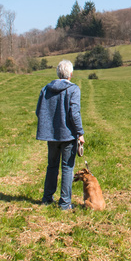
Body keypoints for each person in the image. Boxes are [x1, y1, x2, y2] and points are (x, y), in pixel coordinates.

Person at [35, 59, 85, 210]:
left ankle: (47, 198)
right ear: (70, 74)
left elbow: (39, 111)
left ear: (58, 73)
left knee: (52, 166)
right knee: (67, 168)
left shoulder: (45, 89)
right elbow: (74, 114)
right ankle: (64, 203)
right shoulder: (73, 89)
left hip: (51, 135)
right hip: (68, 135)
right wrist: (80, 133)